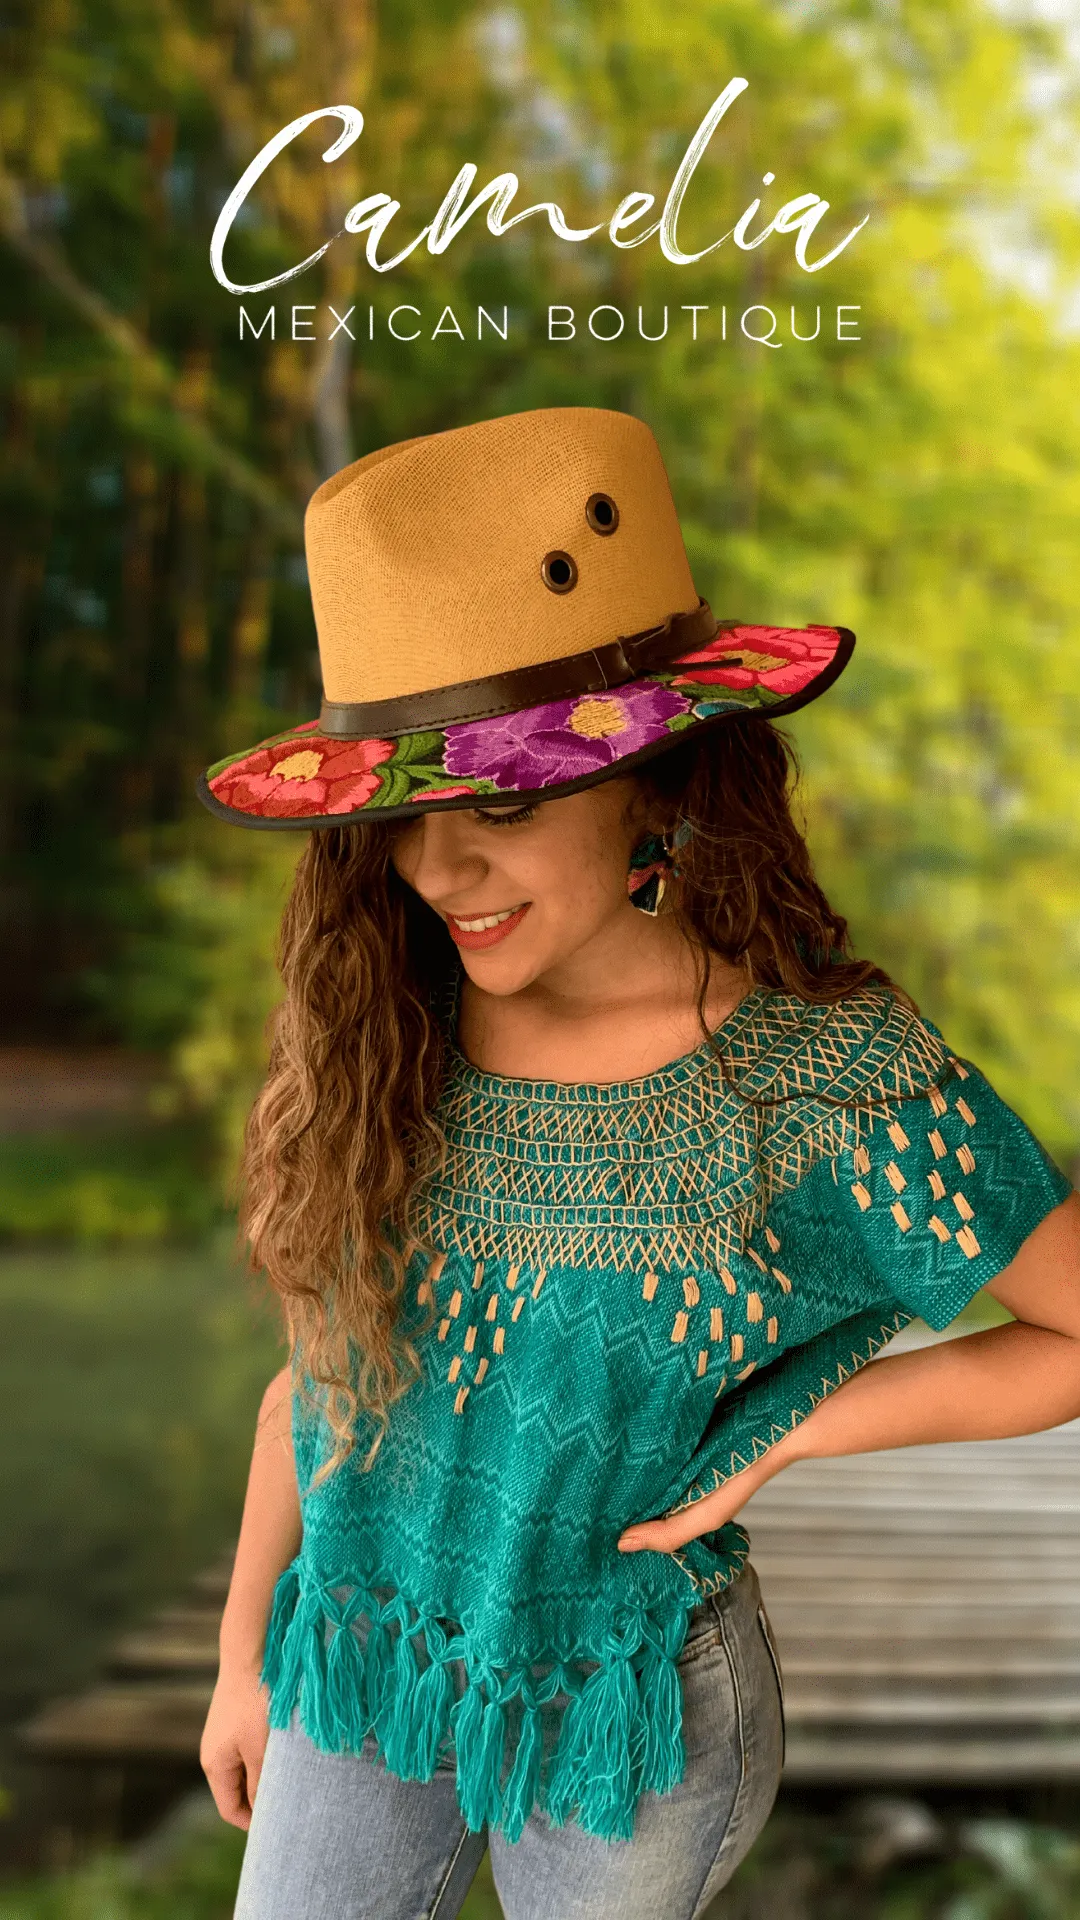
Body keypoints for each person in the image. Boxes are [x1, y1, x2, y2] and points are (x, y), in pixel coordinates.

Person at [196, 407, 1080, 1920]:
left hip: (632, 1701)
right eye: (407, 817)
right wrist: (239, 1660)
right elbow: (319, 1379)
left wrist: (790, 1428)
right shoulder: (388, 1032)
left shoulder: (824, 1084)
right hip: (364, 1645)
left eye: (509, 800)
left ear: (657, 778)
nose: (438, 871)